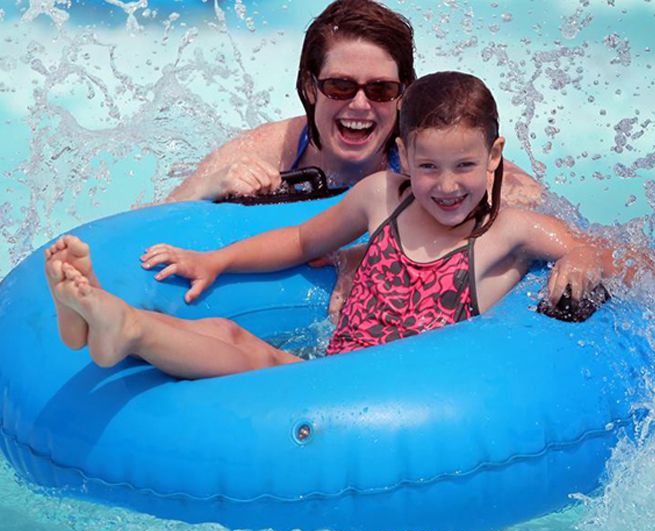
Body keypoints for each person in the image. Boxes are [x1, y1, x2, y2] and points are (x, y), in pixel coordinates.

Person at [45, 71, 644, 379]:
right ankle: (112, 320)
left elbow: (609, 251)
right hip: (333, 372)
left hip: (406, 397)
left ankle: (120, 328)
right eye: (428, 166)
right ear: (402, 155)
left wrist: (581, 258)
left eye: (465, 165)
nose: (447, 185)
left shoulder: (508, 231)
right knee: (229, 335)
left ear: (494, 157)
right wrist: (216, 260)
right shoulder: (383, 196)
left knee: (253, 362)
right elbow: (301, 239)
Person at [166, 0, 543, 320]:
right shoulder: (274, 147)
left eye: (381, 89)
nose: (360, 105)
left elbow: (529, 196)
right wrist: (211, 184)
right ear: (311, 87)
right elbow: (160, 214)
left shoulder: (424, 161)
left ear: (403, 95)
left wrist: (379, 251)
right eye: (340, 86)